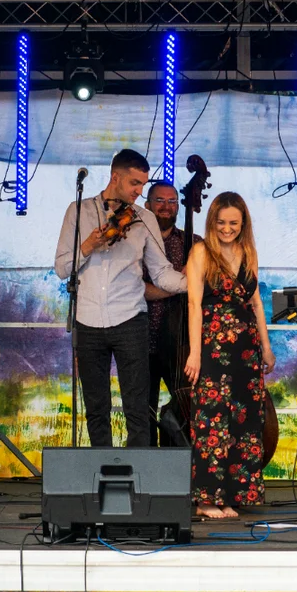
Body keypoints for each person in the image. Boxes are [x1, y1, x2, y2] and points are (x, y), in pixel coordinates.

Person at [54, 149, 187, 447]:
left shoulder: (144, 218)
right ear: (115, 177)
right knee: (96, 408)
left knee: (137, 408)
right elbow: (62, 268)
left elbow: (161, 272)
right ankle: (101, 469)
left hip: (130, 319)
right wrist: (88, 245)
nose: (140, 191)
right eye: (134, 183)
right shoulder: (78, 211)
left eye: (142, 184)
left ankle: (139, 472)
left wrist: (194, 282)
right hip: (87, 320)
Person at [183, 192, 274, 519]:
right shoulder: (201, 252)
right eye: (221, 222)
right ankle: (207, 500)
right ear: (212, 222)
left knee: (244, 422)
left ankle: (231, 495)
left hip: (246, 351)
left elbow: (256, 302)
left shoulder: (248, 252)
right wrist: (195, 353)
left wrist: (266, 346)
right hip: (213, 347)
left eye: (233, 223)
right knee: (212, 421)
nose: (227, 228)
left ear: (243, 223)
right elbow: (194, 305)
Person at [143, 181, 202, 445]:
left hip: (183, 345)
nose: (166, 207)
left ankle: (185, 461)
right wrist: (180, 285)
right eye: (159, 200)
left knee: (190, 407)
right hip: (142, 338)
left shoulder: (196, 244)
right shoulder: (135, 242)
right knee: (143, 410)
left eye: (172, 201)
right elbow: (135, 288)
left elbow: (205, 287)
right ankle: (145, 464)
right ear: (147, 205)